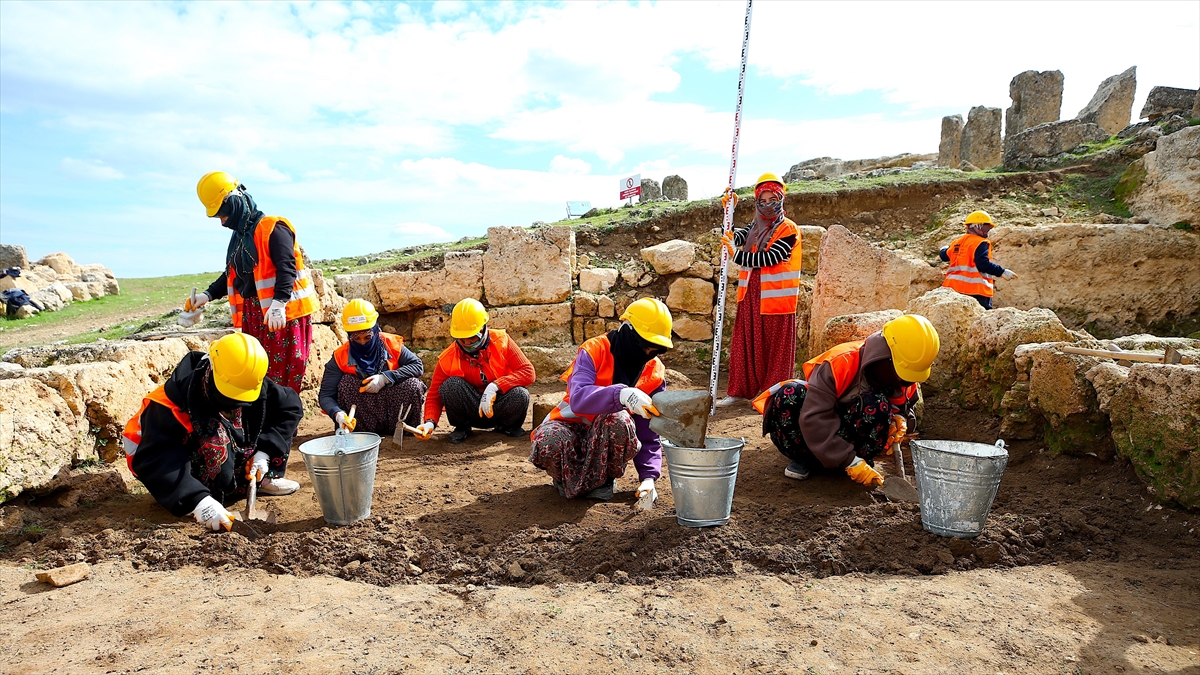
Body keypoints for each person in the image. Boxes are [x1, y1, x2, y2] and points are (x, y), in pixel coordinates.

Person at [122, 333, 304, 531]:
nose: (234, 403)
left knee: (262, 412)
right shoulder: (169, 406)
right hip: (170, 468)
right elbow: (158, 460)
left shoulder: (246, 379)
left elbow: (289, 407)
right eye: (229, 395)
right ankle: (204, 497)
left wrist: (265, 453)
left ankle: (259, 479)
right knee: (212, 439)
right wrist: (198, 501)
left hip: (234, 454)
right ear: (212, 372)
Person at [752, 314, 940, 488]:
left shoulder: (905, 378)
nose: (904, 382)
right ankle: (809, 459)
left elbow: (905, 406)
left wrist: (901, 418)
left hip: (852, 441)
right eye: (902, 375)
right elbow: (814, 417)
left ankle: (857, 461)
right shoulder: (840, 363)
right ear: (886, 356)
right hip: (813, 435)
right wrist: (848, 459)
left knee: (878, 405)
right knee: (789, 395)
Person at [183, 172, 320, 395]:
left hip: (284, 315)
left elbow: (288, 268)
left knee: (283, 375)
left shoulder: (273, 228)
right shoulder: (240, 237)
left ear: (234, 203)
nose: (223, 222)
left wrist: (278, 304)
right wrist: (206, 296)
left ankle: (282, 426)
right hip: (255, 314)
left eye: (222, 215)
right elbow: (232, 274)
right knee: (256, 372)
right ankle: (261, 425)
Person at [529, 298, 672, 504]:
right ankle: (563, 478)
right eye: (645, 346)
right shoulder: (594, 349)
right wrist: (621, 395)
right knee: (548, 441)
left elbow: (649, 431)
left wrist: (648, 477)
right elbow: (578, 399)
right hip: (570, 427)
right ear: (628, 331)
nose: (649, 353)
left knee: (619, 419)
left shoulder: (654, 371)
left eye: (656, 349)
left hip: (606, 437)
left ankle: (604, 480)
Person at [716, 172, 802, 407]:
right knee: (745, 345)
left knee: (775, 352)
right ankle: (739, 392)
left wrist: (737, 255)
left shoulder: (788, 229)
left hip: (777, 300)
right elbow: (734, 236)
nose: (766, 205)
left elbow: (773, 257)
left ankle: (772, 398)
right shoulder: (755, 226)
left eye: (771, 200)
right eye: (761, 201)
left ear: (781, 199)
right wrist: (729, 212)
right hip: (751, 295)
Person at [414, 298, 535, 444]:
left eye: (472, 338)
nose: (467, 344)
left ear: (483, 328)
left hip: (499, 405)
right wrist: (429, 423)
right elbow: (434, 394)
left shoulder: (502, 341)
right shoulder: (449, 356)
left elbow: (528, 372)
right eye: (462, 339)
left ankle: (507, 426)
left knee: (520, 394)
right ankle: (462, 428)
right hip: (470, 409)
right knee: (451, 385)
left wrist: (495, 386)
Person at [318, 299, 425, 435]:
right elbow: (326, 395)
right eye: (356, 339)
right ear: (349, 335)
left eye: (367, 337)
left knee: (413, 385)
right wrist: (337, 414)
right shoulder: (340, 356)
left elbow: (417, 366)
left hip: (394, 407)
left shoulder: (390, 344)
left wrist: (385, 378)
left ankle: (404, 431)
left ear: (375, 330)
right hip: (362, 417)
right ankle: (357, 432)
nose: (362, 343)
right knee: (346, 383)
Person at [940, 210, 1018, 310]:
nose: (988, 230)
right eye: (986, 227)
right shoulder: (981, 243)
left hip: (953, 290)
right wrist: (1001, 271)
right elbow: (982, 264)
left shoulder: (957, 242)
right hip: (976, 292)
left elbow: (944, 256)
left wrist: (943, 250)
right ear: (976, 226)